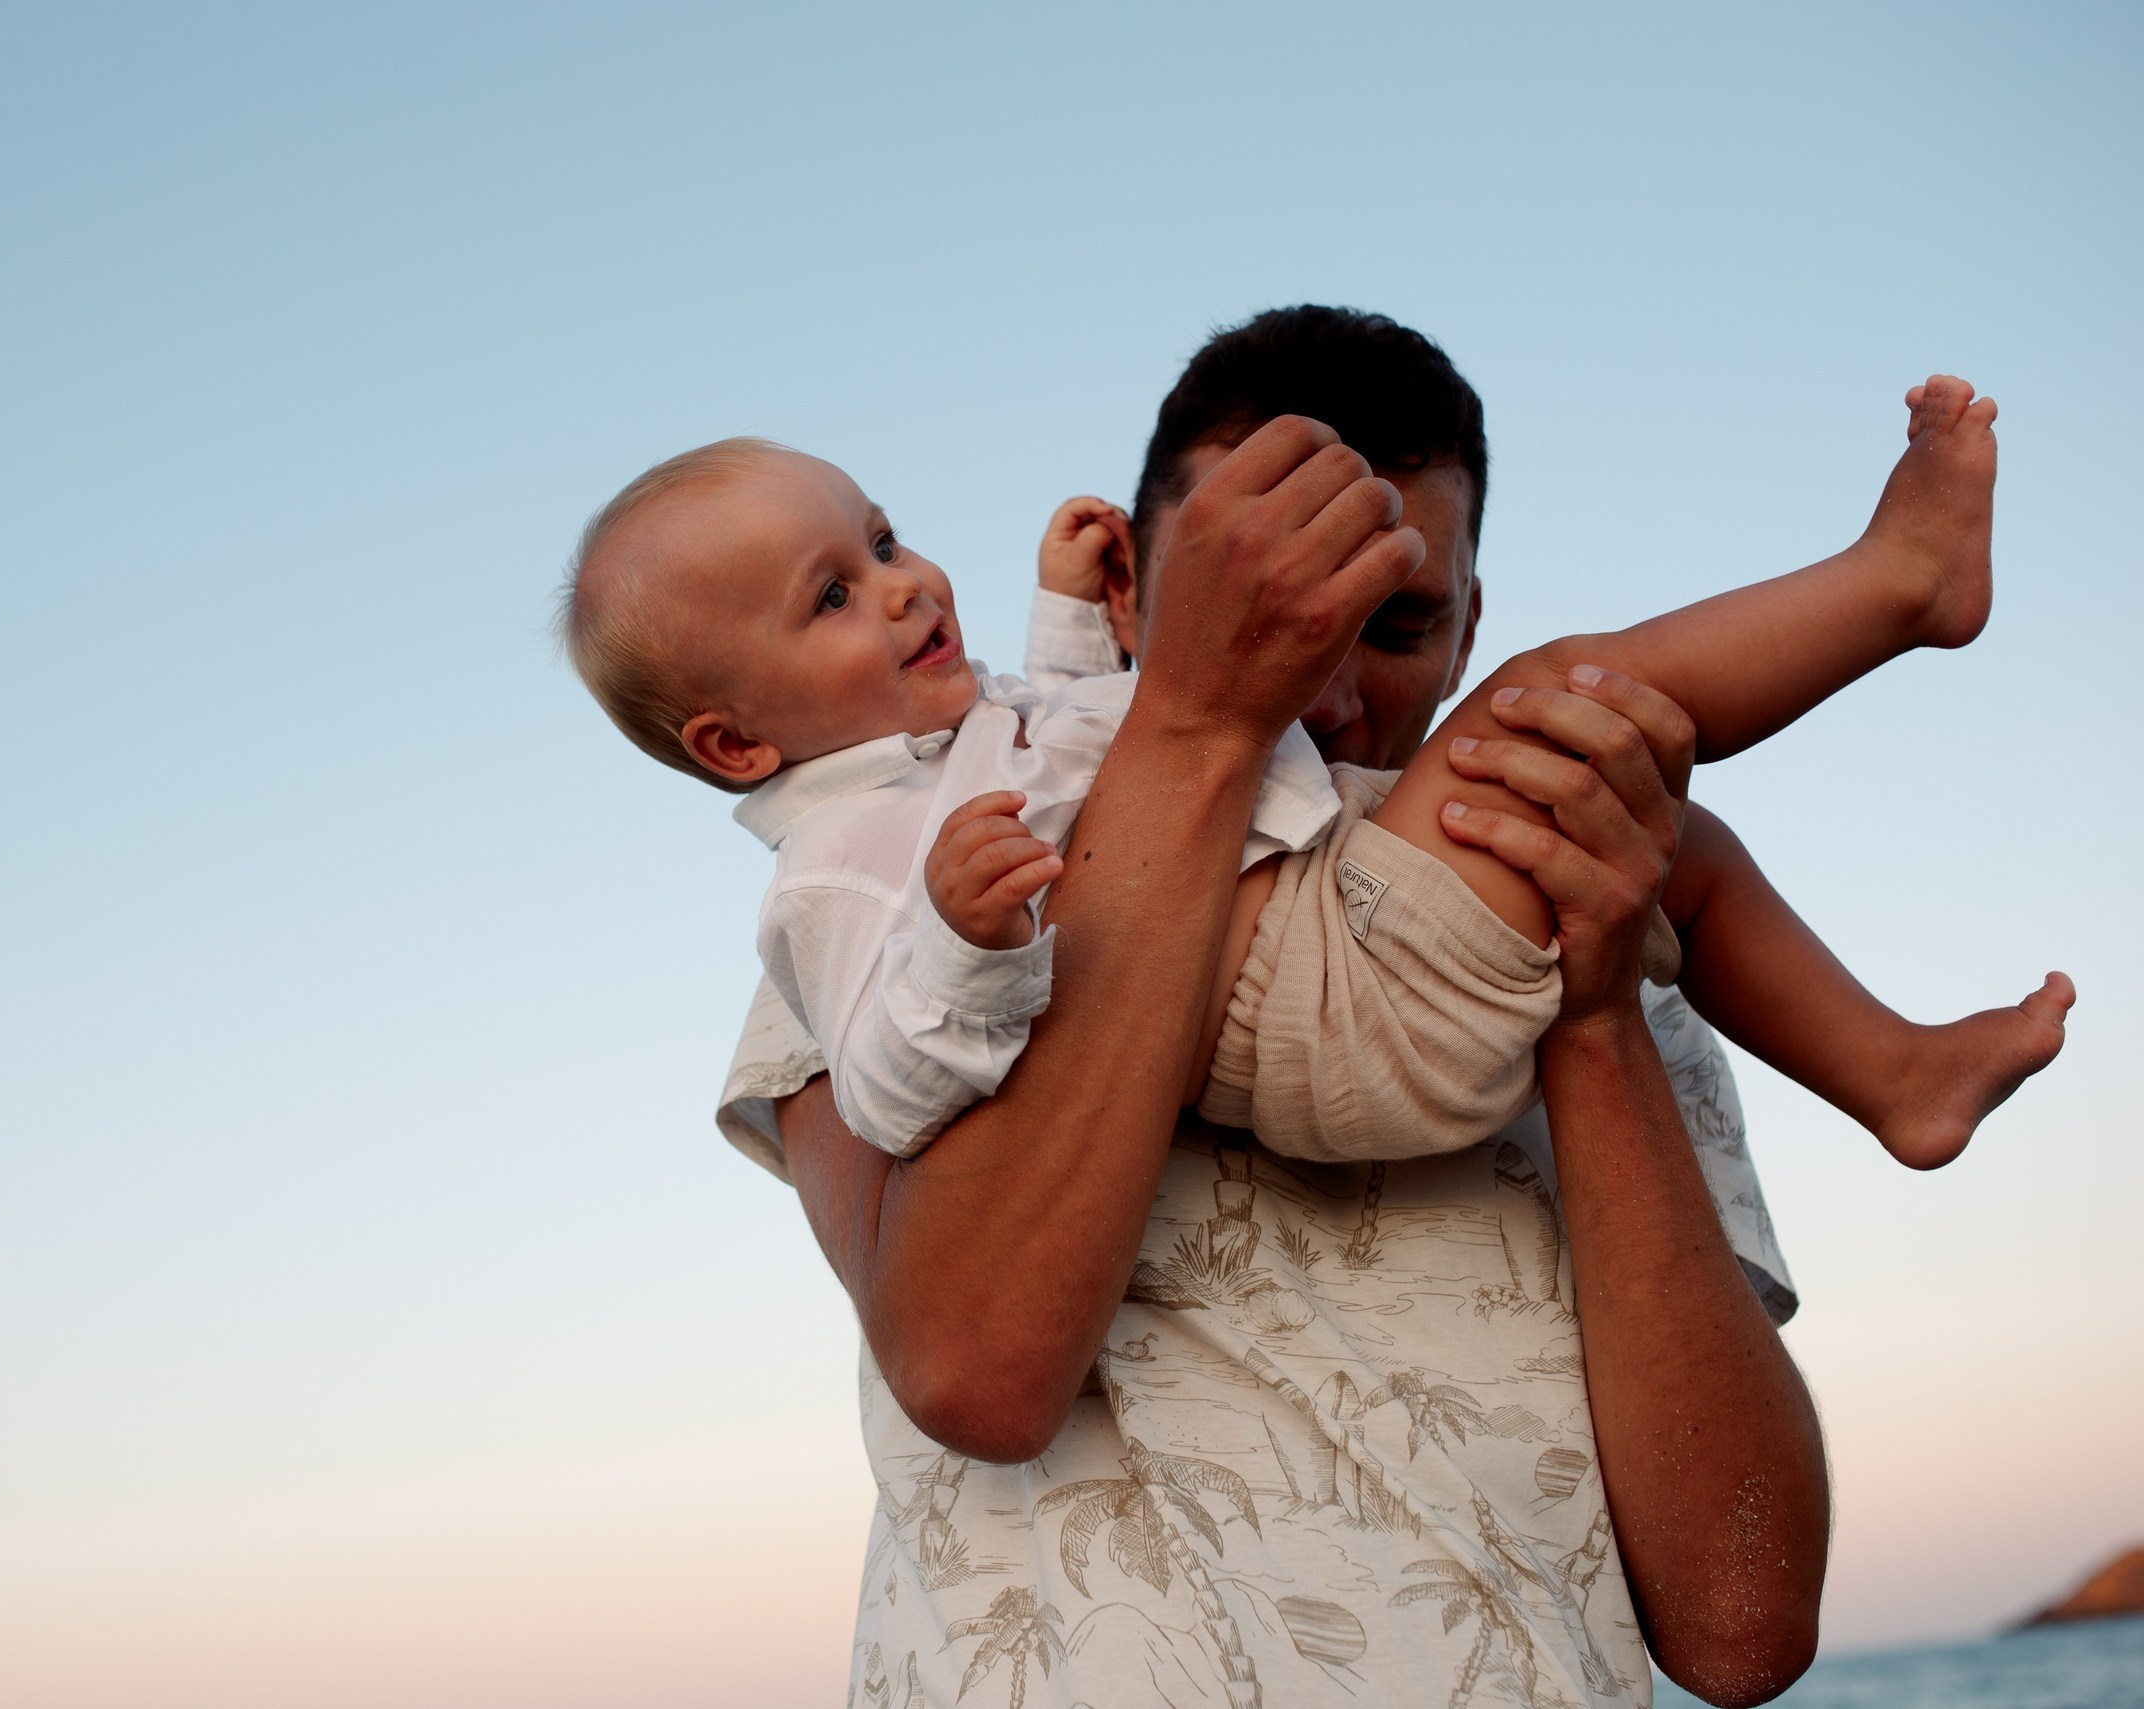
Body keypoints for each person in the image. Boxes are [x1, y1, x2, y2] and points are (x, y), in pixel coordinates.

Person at [717, 309, 1842, 1707]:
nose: (1330, 682)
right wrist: (1195, 728)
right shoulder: (912, 894)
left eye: (1397, 622)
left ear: (1468, 633)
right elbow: (976, 1366)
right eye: (1278, 601)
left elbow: (1742, 1625)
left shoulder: (1599, 939)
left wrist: (1599, 1024)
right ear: (1136, 596)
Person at [562, 383, 2067, 1175]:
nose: (900, 585)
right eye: (831, 596)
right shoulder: (839, 866)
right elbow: (891, 1092)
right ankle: (1901, 585)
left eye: (883, 539)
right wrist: (960, 941)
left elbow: (1084, 751)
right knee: (1552, 700)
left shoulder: (945, 751)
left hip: (1329, 935)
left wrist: (1072, 624)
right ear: (736, 744)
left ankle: (1895, 1073)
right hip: (1311, 1000)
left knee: (1671, 823)